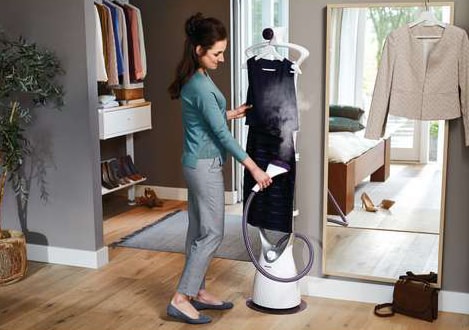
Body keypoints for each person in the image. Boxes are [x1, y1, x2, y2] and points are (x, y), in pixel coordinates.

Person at [166, 13, 272, 324]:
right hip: (204, 166)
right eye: (217, 53)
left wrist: (231, 112)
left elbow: (205, 119)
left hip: (194, 162)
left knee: (198, 230)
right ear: (199, 49)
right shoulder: (199, 84)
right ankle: (180, 298)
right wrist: (253, 168)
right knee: (212, 233)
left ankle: (197, 292)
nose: (222, 58)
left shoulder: (196, 77)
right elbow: (220, 136)